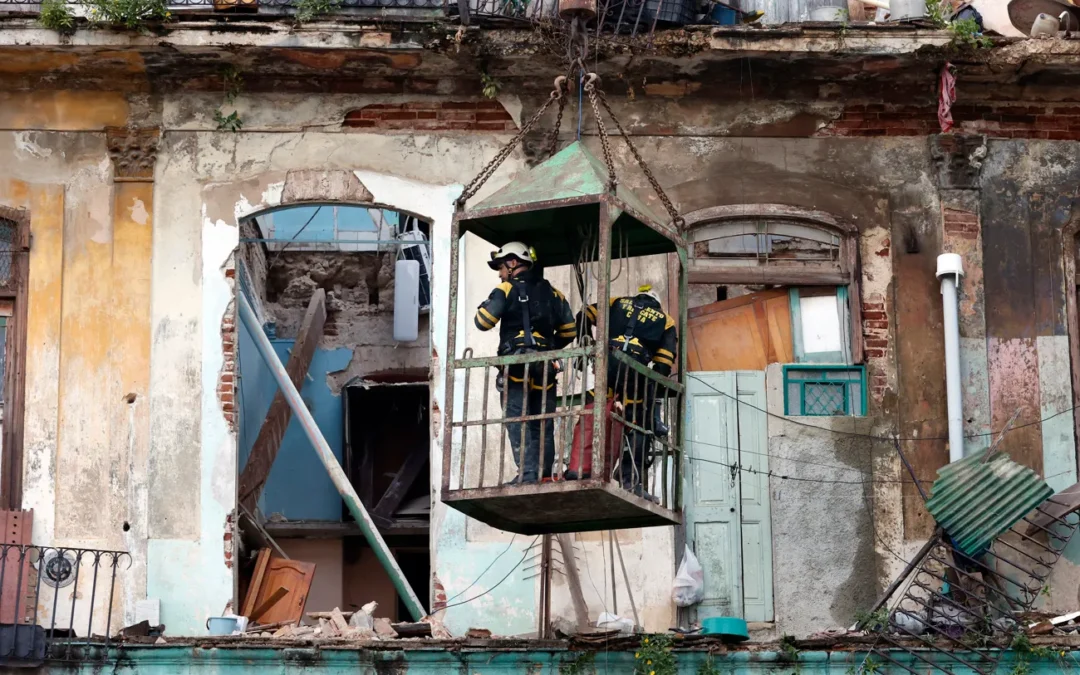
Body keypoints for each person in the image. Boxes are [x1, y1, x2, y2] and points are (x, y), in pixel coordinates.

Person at [473, 242, 576, 485]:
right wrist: (548, 348)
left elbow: (484, 321)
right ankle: (543, 474)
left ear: (512, 262)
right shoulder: (554, 293)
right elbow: (570, 331)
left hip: (517, 364)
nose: (499, 273)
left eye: (500, 267)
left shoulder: (506, 288)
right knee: (543, 420)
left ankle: (527, 474)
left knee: (516, 418)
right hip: (545, 365)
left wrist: (487, 304)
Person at [575, 284, 677, 501]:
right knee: (640, 424)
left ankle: (583, 468)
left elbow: (583, 314)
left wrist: (585, 339)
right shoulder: (664, 319)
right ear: (656, 303)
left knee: (600, 411)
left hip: (607, 364)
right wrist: (653, 388)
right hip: (634, 371)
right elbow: (665, 361)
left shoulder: (616, 302)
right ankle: (629, 479)